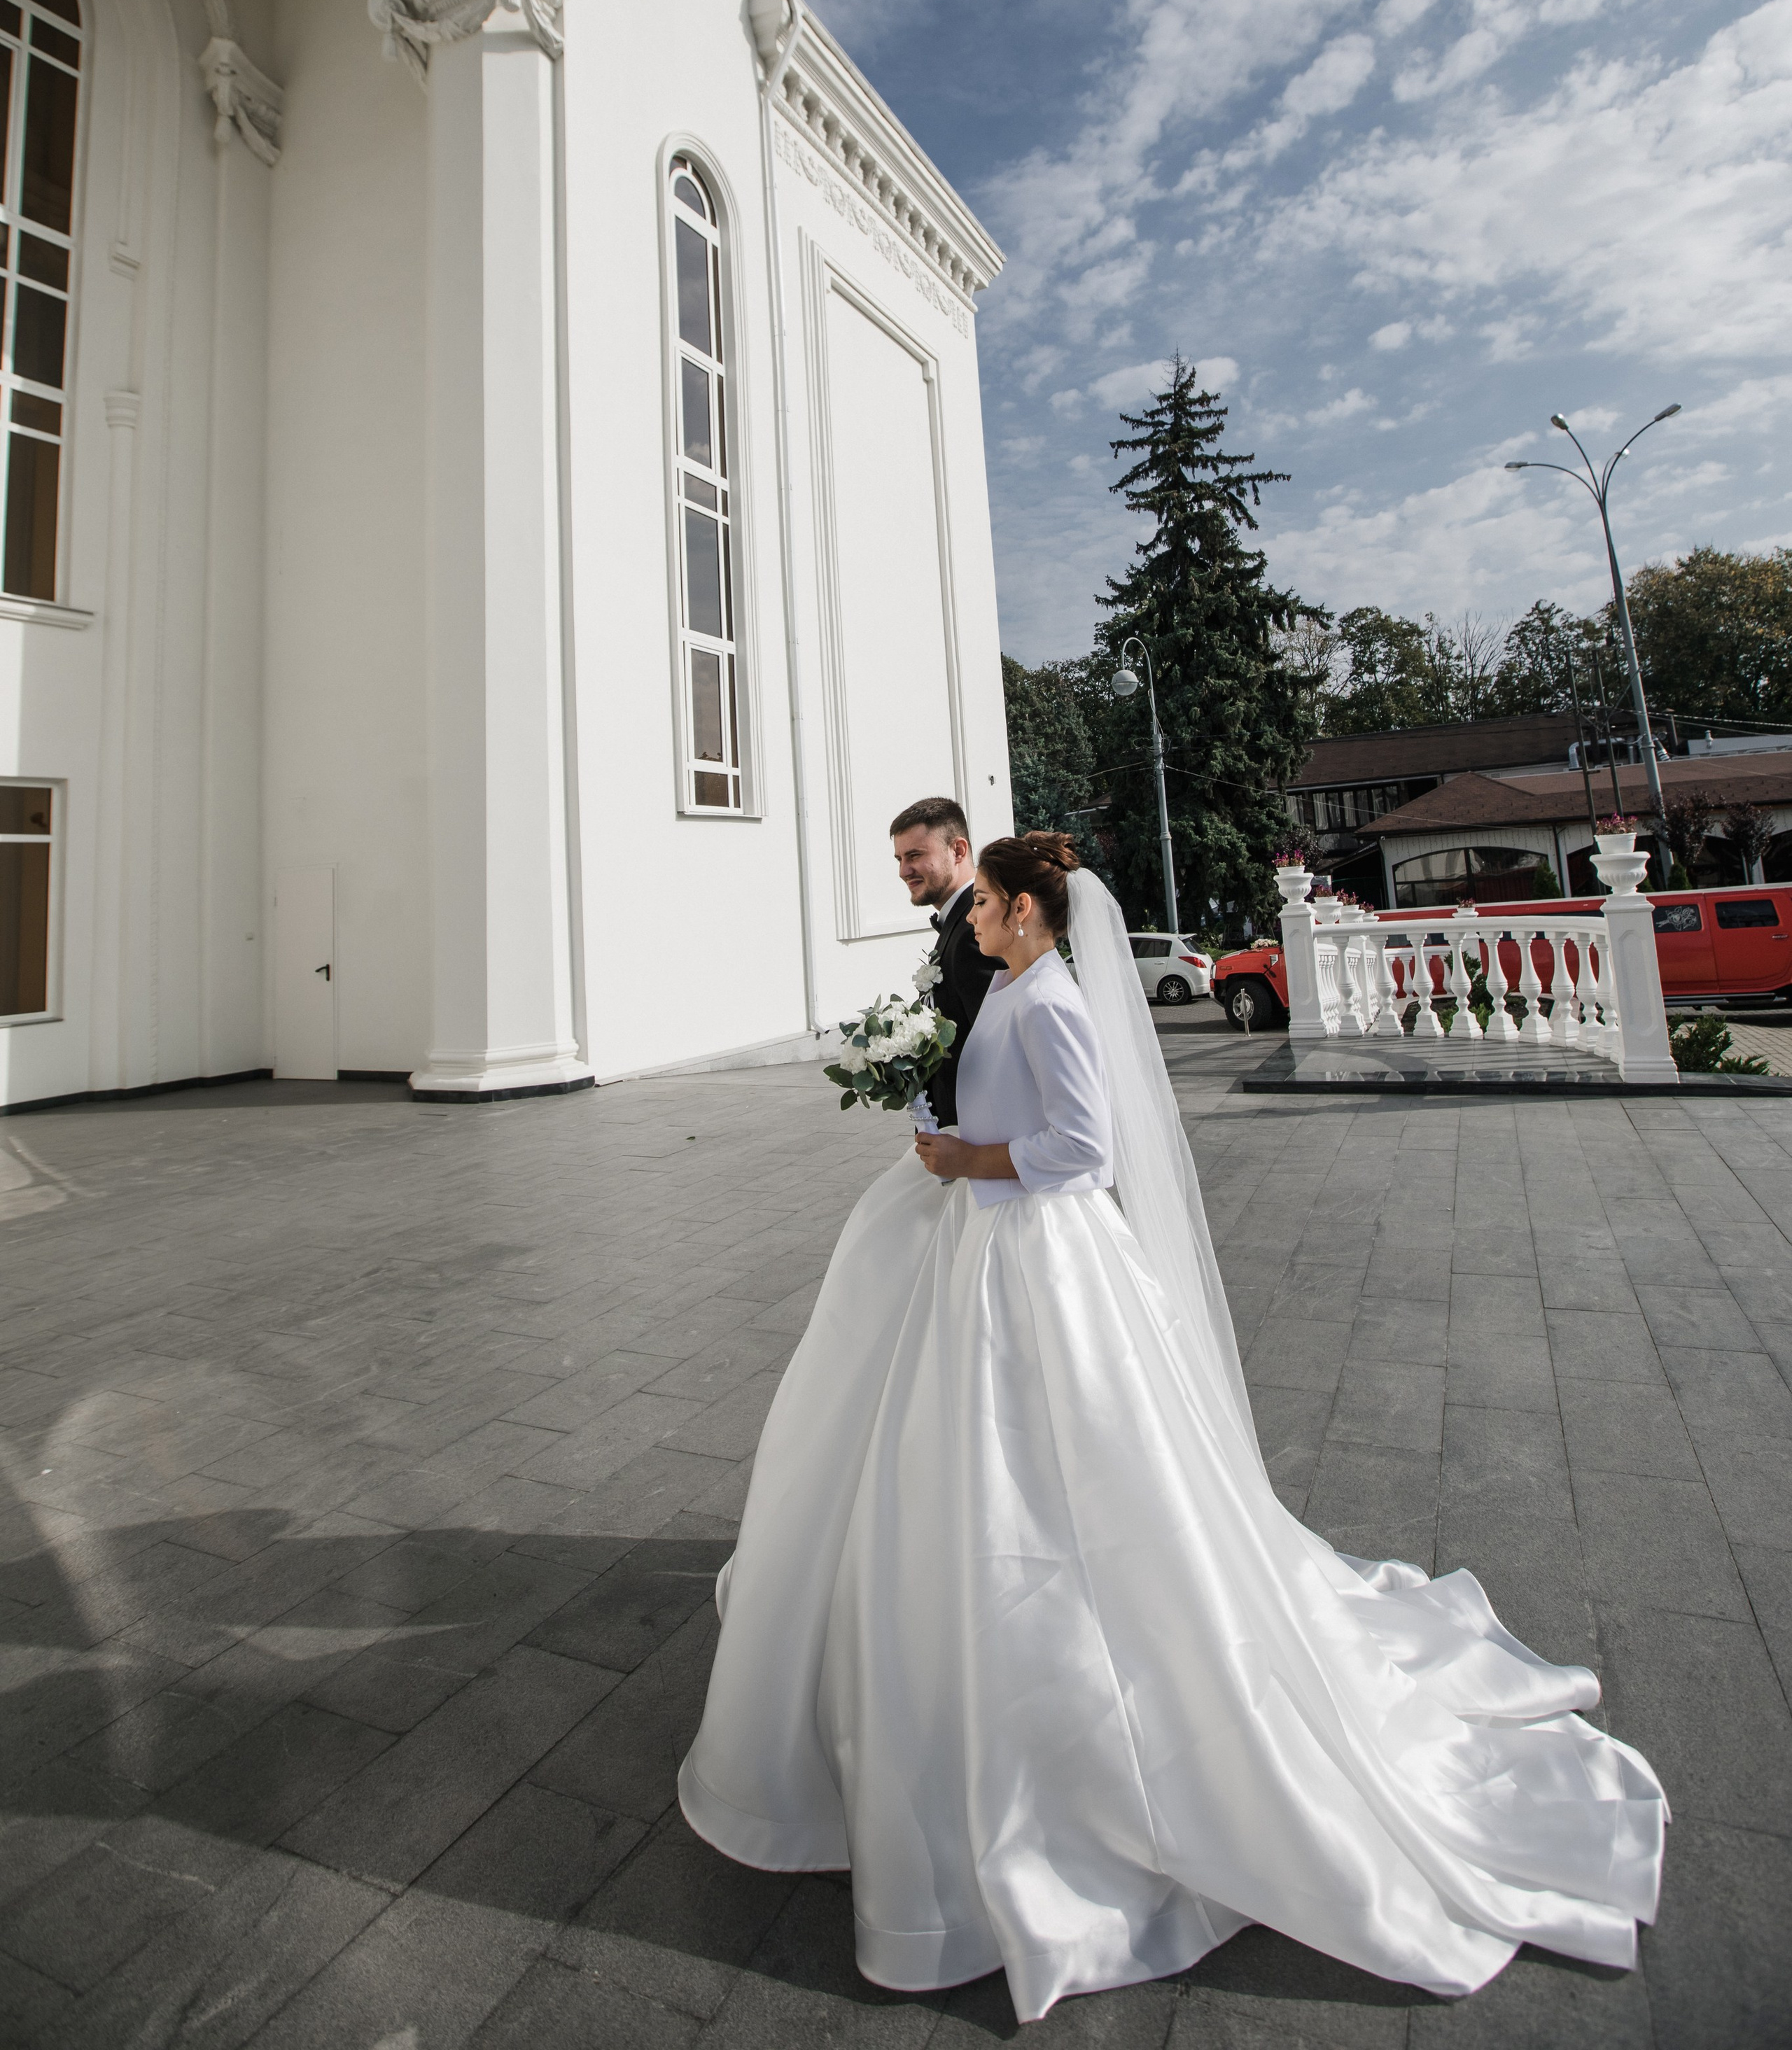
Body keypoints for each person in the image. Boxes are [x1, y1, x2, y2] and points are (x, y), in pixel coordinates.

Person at [679, 834, 1666, 2024]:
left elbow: (1083, 1151)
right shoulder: (1014, 987)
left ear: (1031, 913)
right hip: (987, 1247)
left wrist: (968, 1157)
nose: (972, 919)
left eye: (986, 903)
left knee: (1046, 1467)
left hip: (1037, 1260)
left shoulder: (1054, 1005)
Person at [888, 794, 1000, 1130]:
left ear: (958, 851)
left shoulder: (975, 932)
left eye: (915, 856)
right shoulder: (958, 923)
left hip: (972, 1132)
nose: (903, 871)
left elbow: (998, 1049)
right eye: (899, 859)